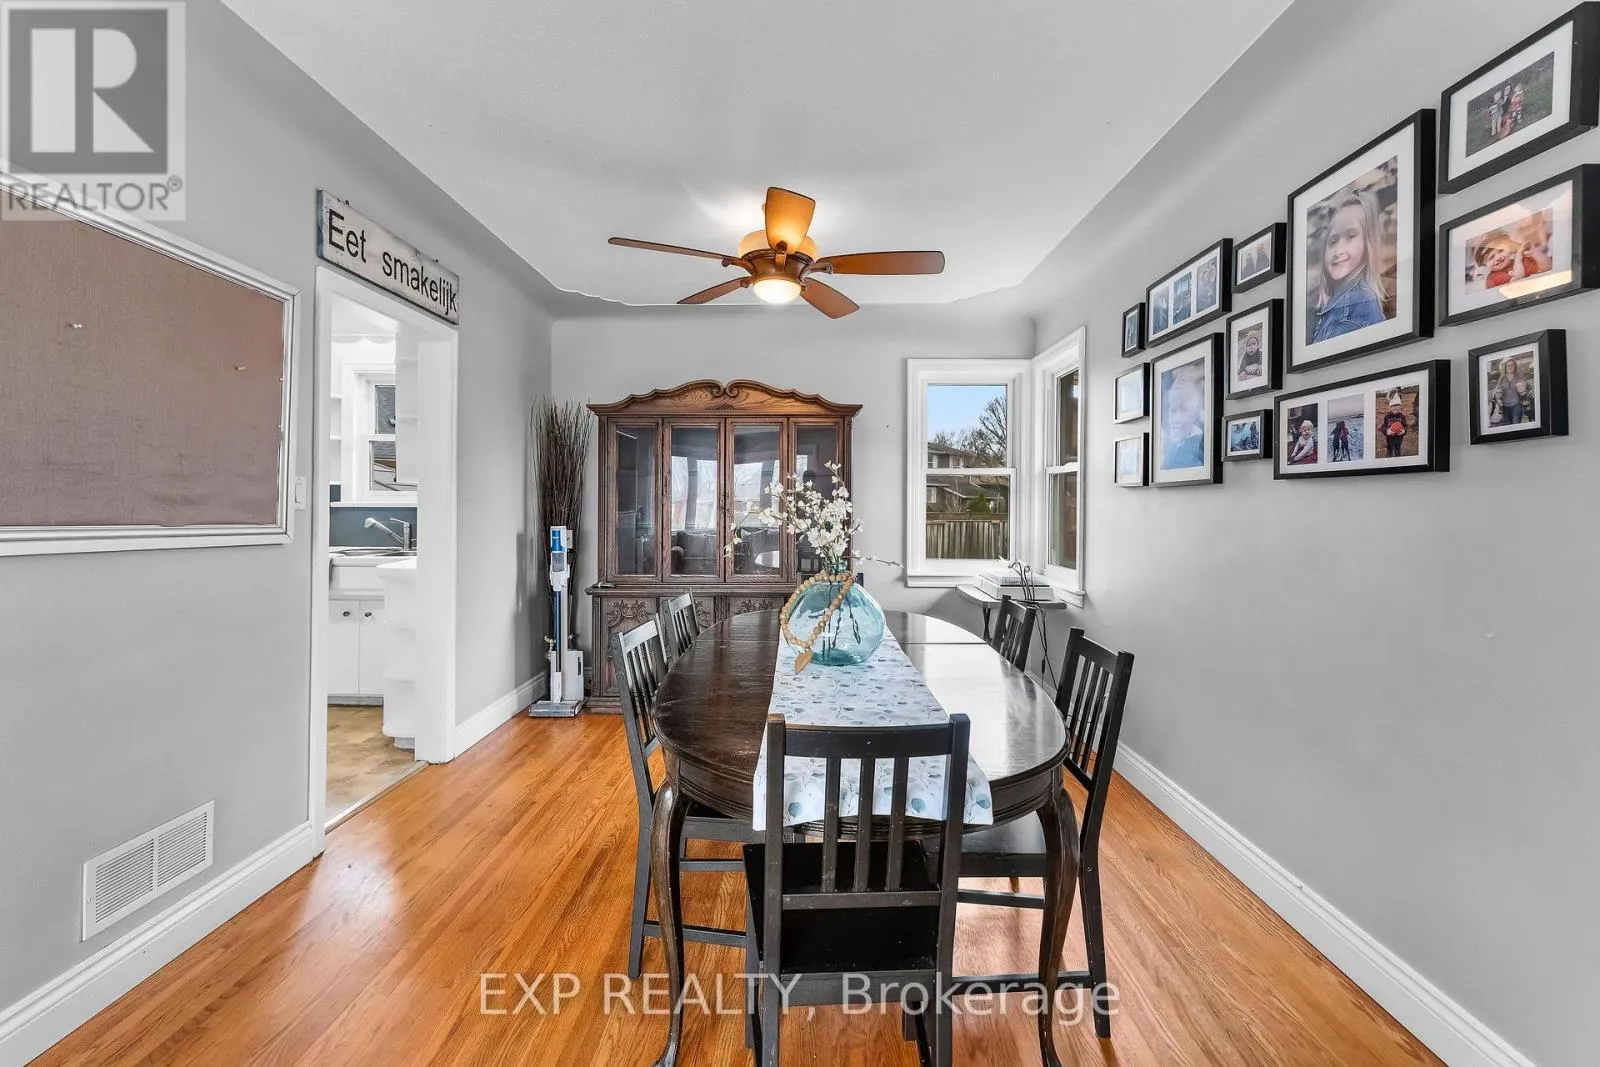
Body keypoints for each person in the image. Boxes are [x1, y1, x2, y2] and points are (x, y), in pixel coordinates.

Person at [1310, 189, 1388, 344]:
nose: (1338, 250)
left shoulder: (1351, 312)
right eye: (1333, 241)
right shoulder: (1339, 303)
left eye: (1351, 236)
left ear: (1368, 243)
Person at [1160, 362, 1207, 470]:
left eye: (1184, 410)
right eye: (1173, 410)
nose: (1176, 419)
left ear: (1195, 415)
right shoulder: (1168, 448)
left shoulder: (1198, 448)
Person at [1497, 357, 1528, 425]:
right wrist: (1498, 397)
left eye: (1512, 365)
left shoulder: (1518, 376)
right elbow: (1497, 390)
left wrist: (1523, 388)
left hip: (1516, 405)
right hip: (1504, 407)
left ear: (1515, 366)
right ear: (1505, 367)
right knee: (1508, 425)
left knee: (1516, 424)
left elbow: (1526, 386)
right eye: (1508, 365)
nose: (1510, 367)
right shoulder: (1502, 378)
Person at [1381, 392, 1409, 457]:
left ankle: (1398, 457)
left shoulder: (1402, 417)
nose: (1395, 407)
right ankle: (1389, 456)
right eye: (1393, 406)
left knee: (1397, 449)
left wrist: (1404, 431)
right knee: (1389, 449)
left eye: (1397, 405)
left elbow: (1405, 426)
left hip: (1399, 438)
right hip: (1390, 438)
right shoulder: (1387, 417)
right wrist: (1387, 431)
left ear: (1400, 407)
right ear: (1390, 408)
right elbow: (1383, 427)